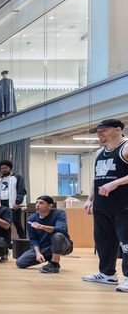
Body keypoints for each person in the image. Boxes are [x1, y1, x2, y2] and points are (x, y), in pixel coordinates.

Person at [82, 118, 128, 291]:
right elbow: (96, 178)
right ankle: (107, 274)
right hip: (102, 205)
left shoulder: (126, 147)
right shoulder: (99, 152)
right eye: (98, 131)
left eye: (104, 130)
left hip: (123, 203)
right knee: (104, 241)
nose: (99, 133)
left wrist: (116, 183)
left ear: (117, 129)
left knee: (126, 242)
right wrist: (90, 199)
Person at [17, 195, 73, 273]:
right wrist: (38, 253)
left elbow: (61, 229)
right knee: (20, 263)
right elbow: (33, 239)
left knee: (57, 235)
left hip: (63, 245)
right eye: (36, 202)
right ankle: (49, 257)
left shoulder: (59, 213)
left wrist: (42, 227)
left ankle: (54, 264)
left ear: (50, 206)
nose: (37, 205)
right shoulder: (31, 219)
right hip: (45, 248)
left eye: (41, 203)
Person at [0, 159, 27, 238]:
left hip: (13, 205)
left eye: (5, 168)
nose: (4, 170)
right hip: (1, 205)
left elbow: (21, 190)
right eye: (2, 168)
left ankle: (24, 241)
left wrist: (18, 202)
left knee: (17, 223)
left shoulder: (17, 177)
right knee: (5, 224)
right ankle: (7, 243)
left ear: (9, 168)